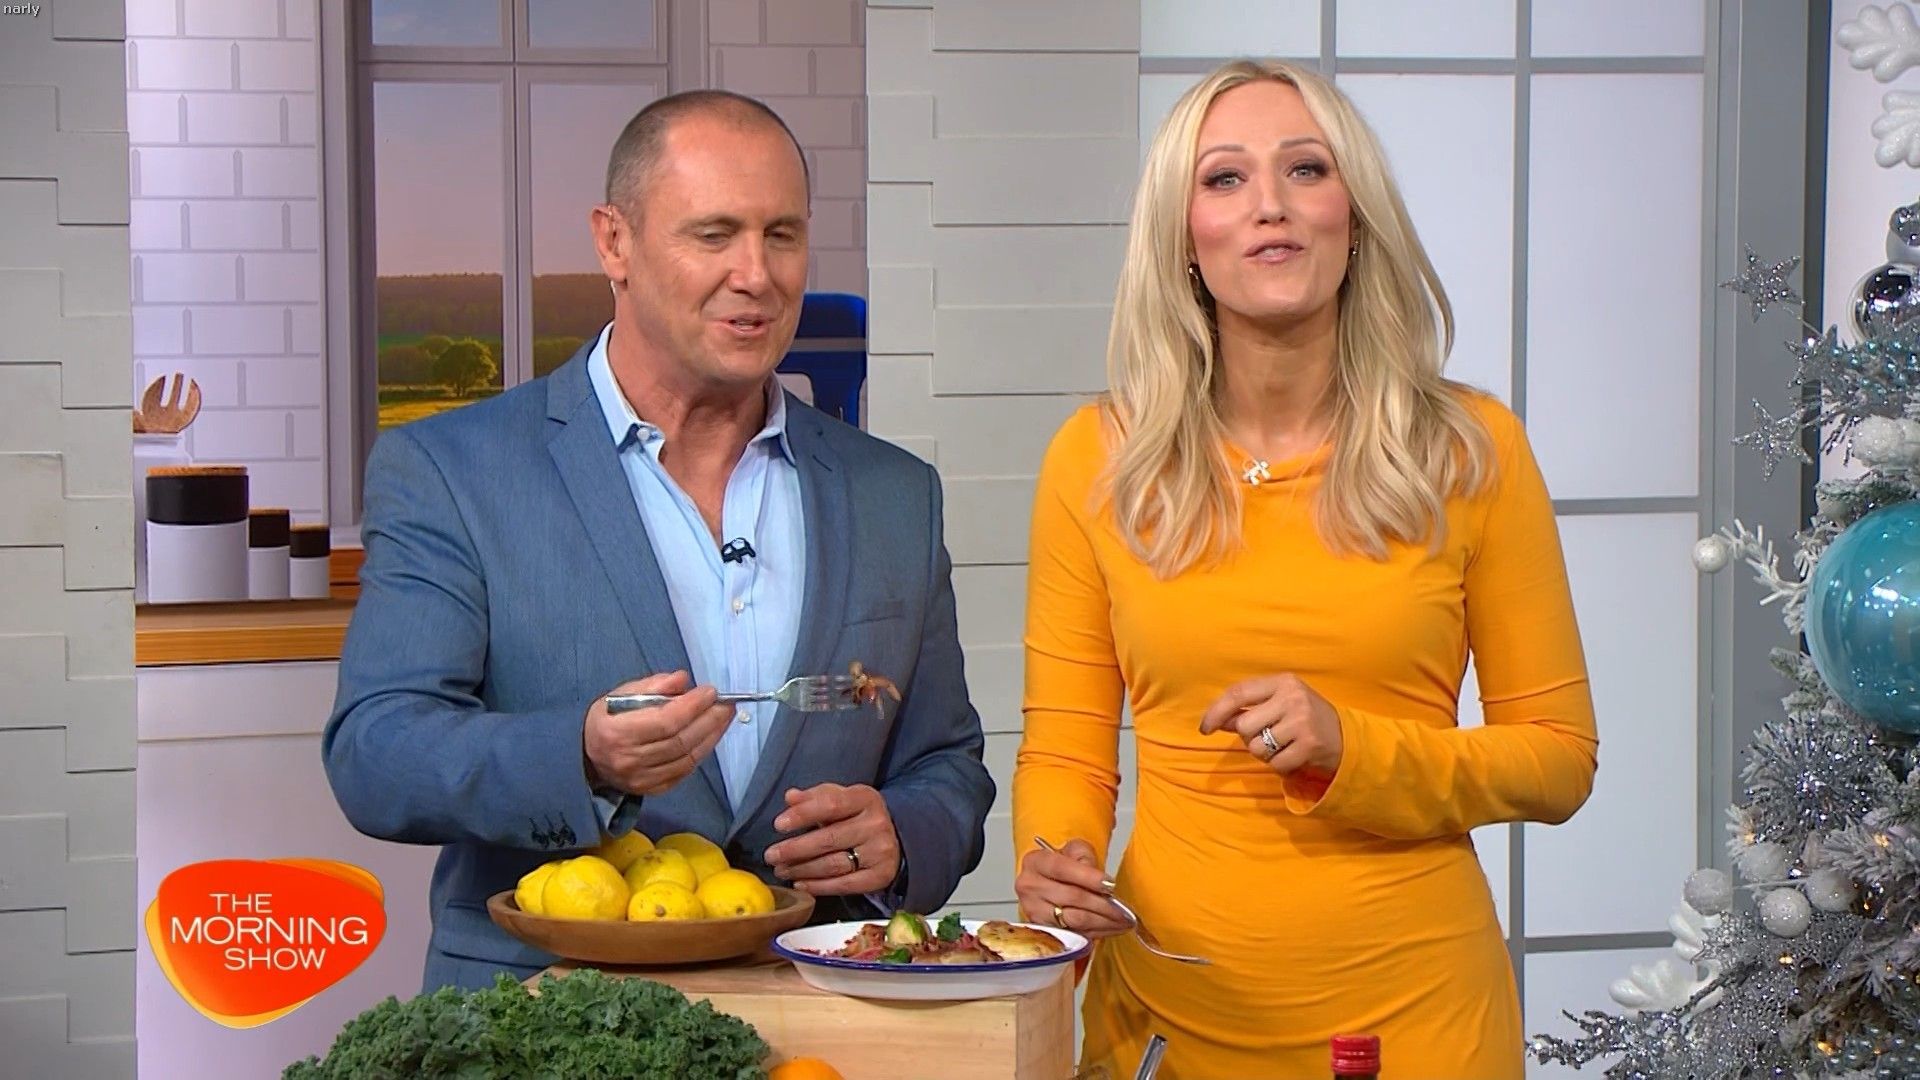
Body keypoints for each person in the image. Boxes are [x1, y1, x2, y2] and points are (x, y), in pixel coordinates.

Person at [324, 89, 994, 992]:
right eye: (714, 235)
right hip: (547, 1017)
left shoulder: (895, 495)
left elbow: (946, 764)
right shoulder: (452, 471)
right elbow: (375, 754)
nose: (756, 274)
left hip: (826, 1022)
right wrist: (580, 757)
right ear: (614, 242)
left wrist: (902, 835)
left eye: (782, 235)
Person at [1011, 59, 1598, 1078]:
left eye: (1306, 169)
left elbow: (1558, 760)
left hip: (1418, 1025)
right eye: (1224, 178)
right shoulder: (1095, 459)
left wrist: (1352, 751)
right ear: (1182, 236)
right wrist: (1053, 858)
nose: (1270, 205)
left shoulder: (1472, 449)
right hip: (1168, 1020)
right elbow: (1067, 749)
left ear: (1354, 217)